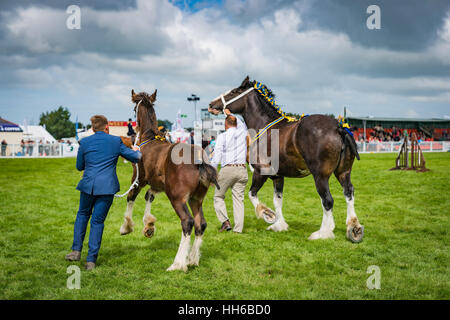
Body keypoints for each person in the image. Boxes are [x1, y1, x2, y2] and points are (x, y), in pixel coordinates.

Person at [65, 115, 142, 270]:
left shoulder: (84, 142)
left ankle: (76, 251)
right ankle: (91, 261)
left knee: (82, 215)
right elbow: (137, 157)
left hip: (87, 186)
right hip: (106, 187)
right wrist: (137, 149)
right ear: (107, 127)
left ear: (93, 128)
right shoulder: (115, 141)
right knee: (97, 222)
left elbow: (80, 166)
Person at [211, 109, 248, 233]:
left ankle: (225, 222)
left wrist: (212, 173)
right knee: (238, 200)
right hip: (242, 170)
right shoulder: (242, 132)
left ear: (225, 125)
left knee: (218, 196)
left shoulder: (222, 136)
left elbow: (216, 158)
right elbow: (241, 123)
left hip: (228, 169)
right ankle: (238, 229)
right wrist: (229, 114)